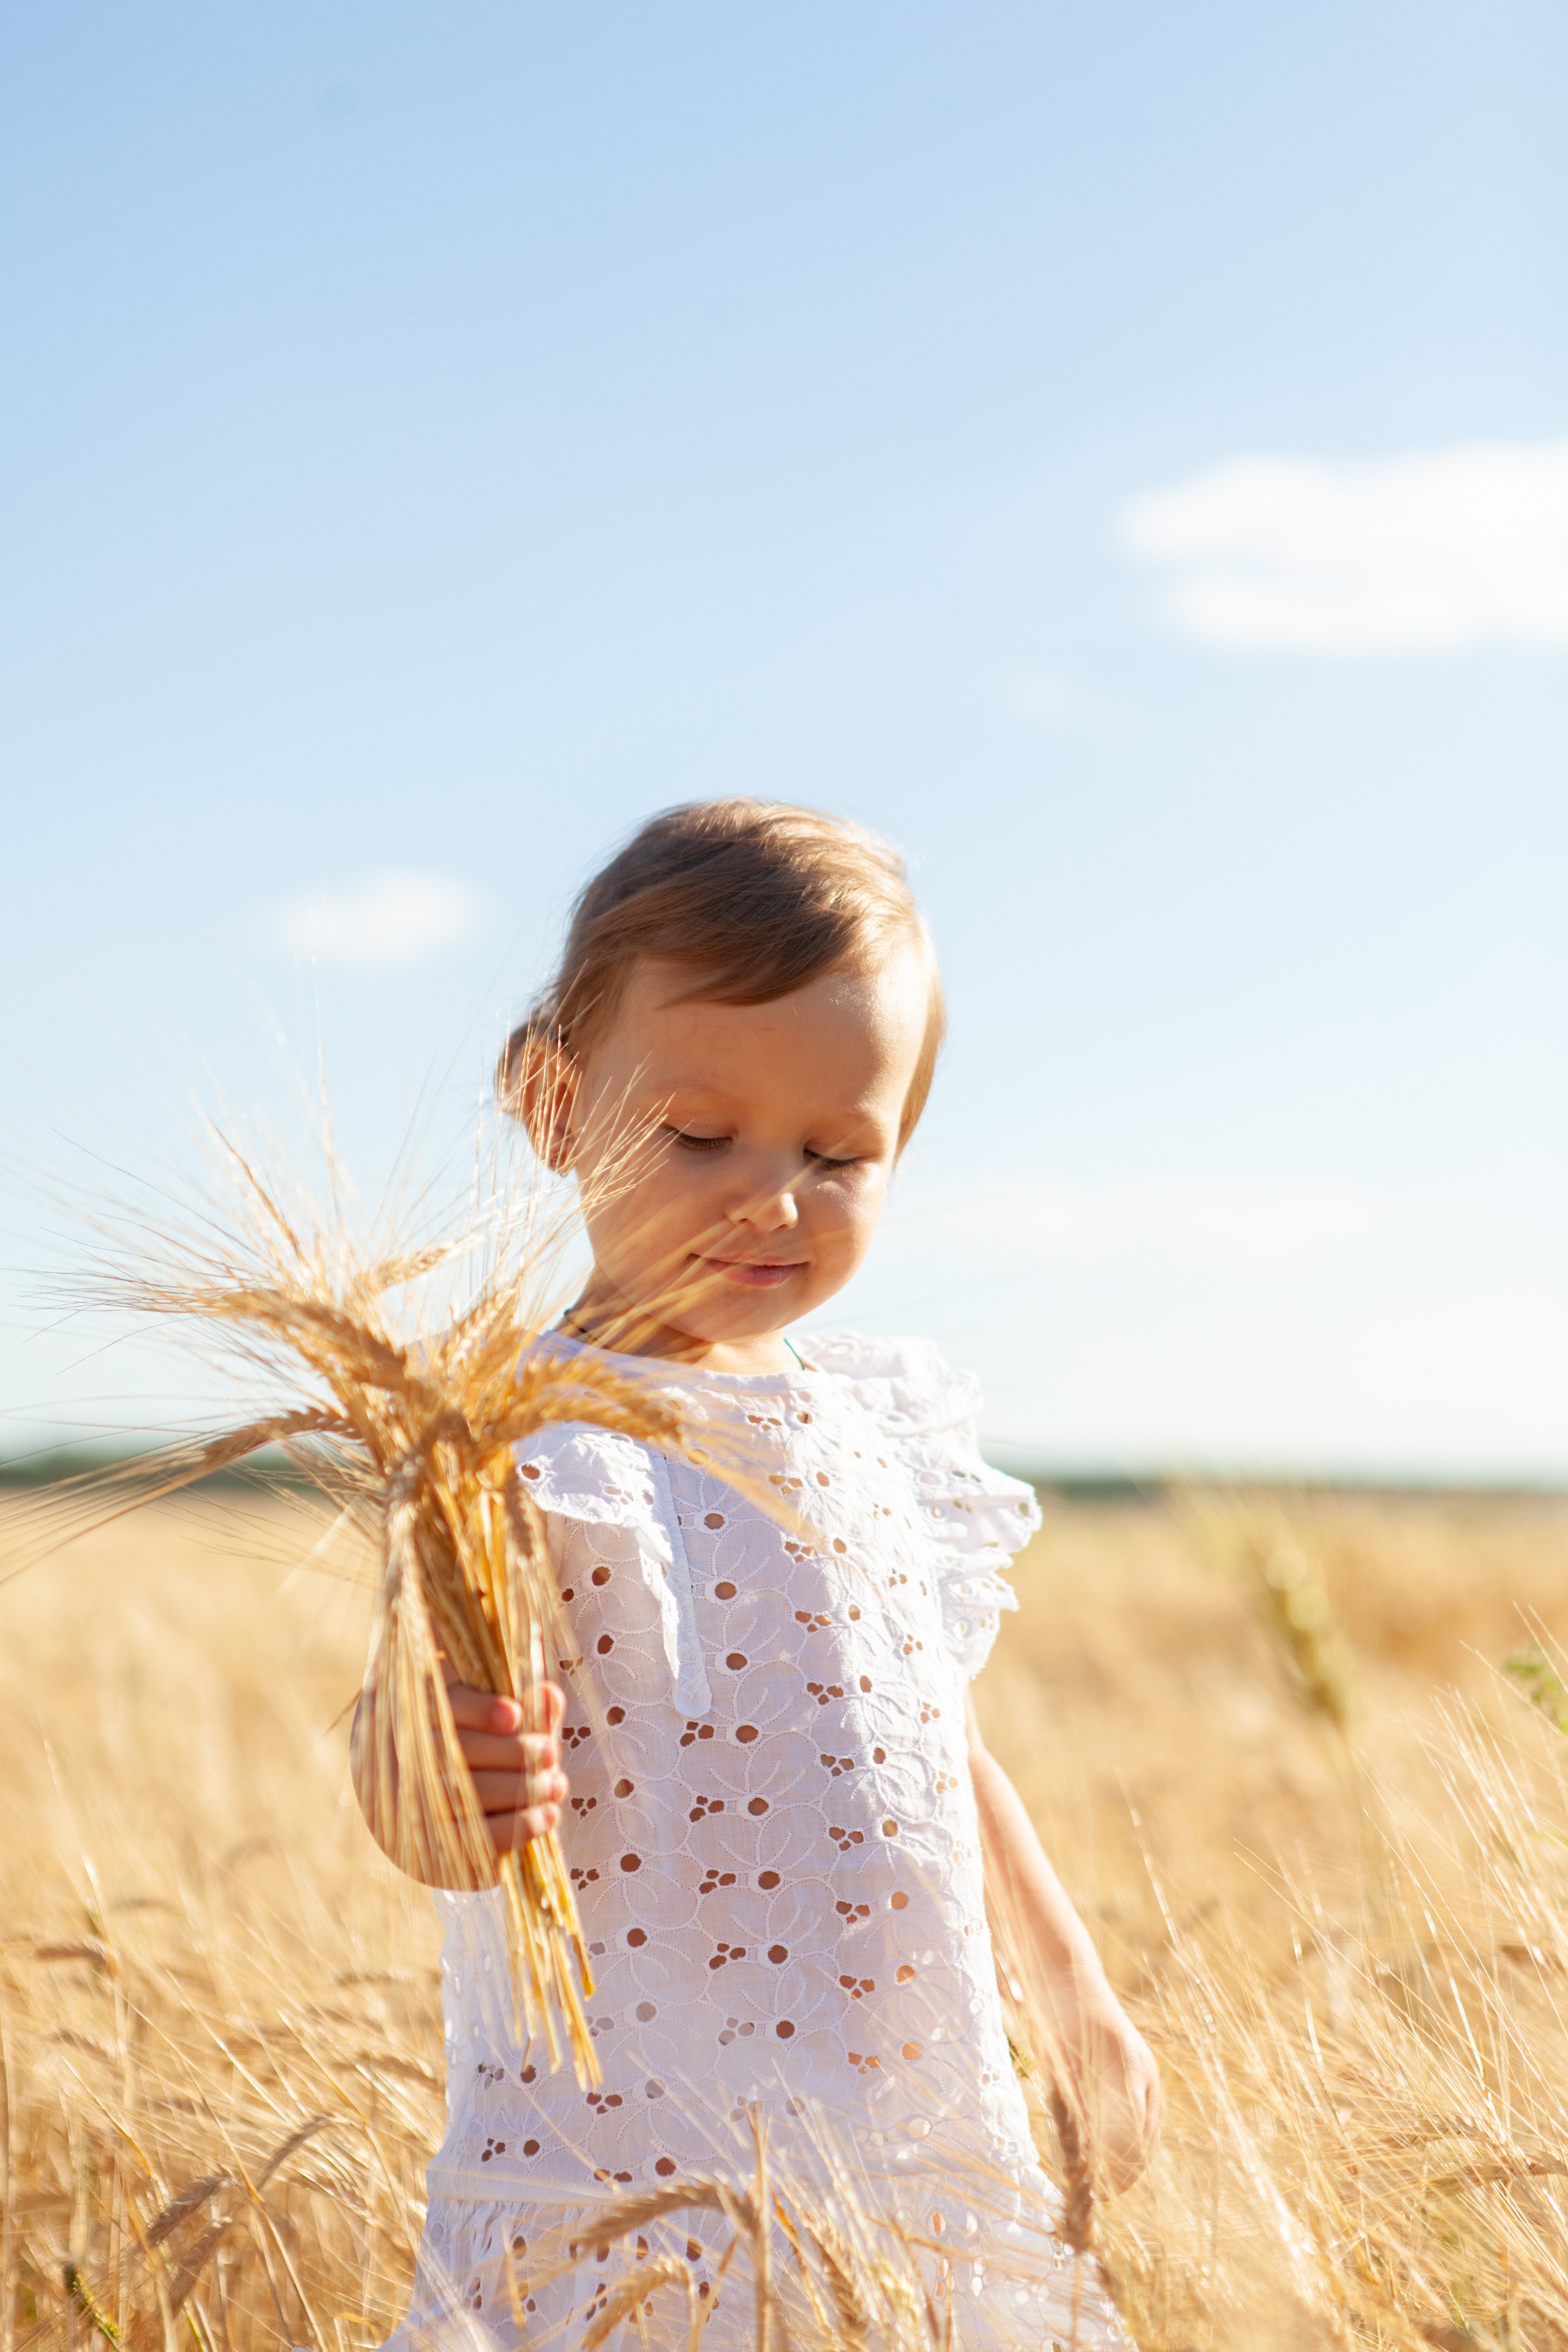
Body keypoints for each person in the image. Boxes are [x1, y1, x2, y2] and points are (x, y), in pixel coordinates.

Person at [362, 799, 1158, 2350]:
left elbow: (938, 1740)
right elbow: (417, 1744)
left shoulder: (876, 1426)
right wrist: (426, 1778)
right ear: (551, 1100)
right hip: (626, 2149)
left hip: (908, 2119)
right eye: (699, 1133)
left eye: (837, 1151)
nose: (770, 1194)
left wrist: (1073, 1992)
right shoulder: (510, 1441)